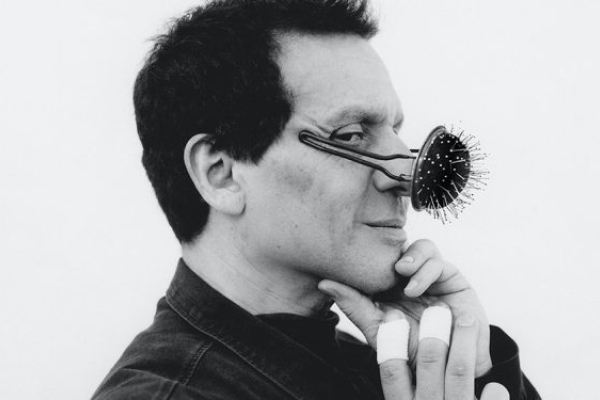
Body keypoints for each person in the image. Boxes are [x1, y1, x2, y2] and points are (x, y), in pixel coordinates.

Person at [93, 0, 541, 399]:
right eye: (351, 135)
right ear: (221, 173)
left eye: (396, 133)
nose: (407, 177)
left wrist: (468, 368)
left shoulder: (386, 366)